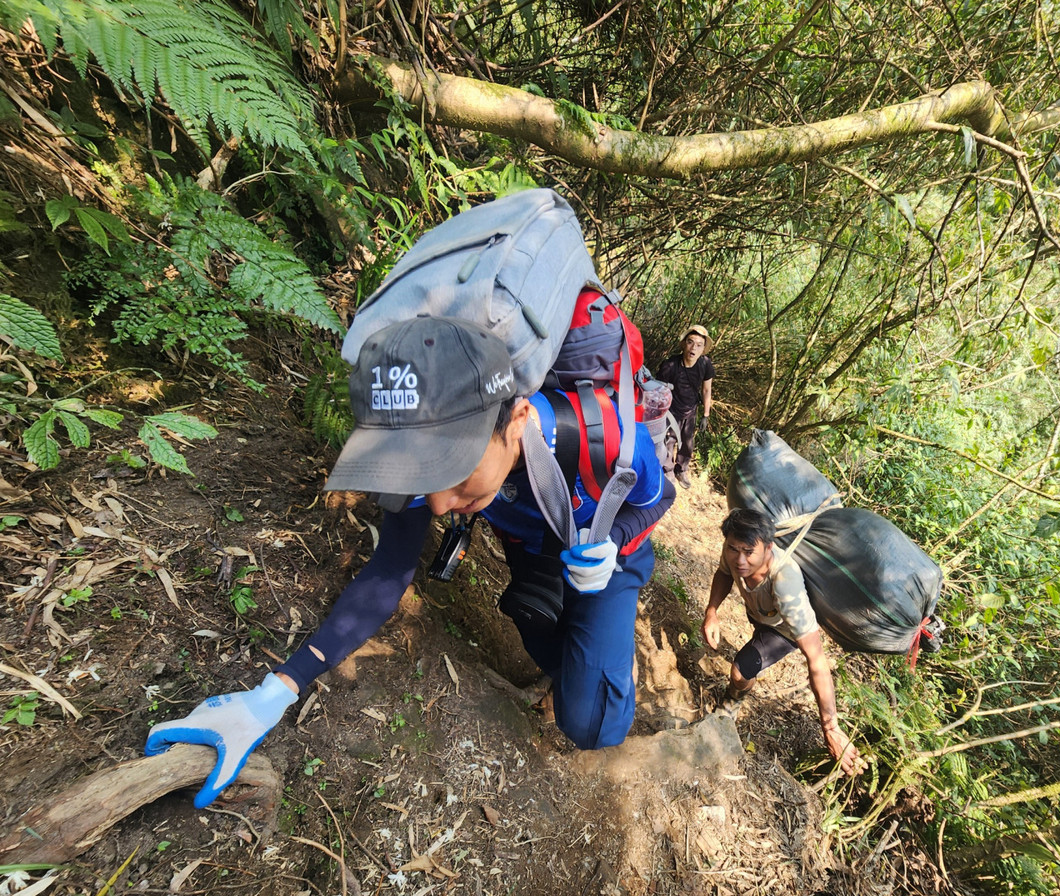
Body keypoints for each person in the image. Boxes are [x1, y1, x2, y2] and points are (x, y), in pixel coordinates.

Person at [145, 316, 675, 808]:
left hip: (606, 546)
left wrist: (614, 542)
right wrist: (271, 696)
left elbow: (659, 496)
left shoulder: (600, 435)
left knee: (593, 725)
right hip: (535, 554)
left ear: (516, 422)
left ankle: (603, 671)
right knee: (536, 622)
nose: (440, 504)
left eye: (455, 472)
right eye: (427, 480)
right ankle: (574, 667)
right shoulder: (424, 446)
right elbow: (386, 574)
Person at [703, 508, 866, 777]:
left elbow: (816, 659)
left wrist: (830, 727)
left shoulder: (785, 583)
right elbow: (723, 573)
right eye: (733, 549)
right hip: (760, 613)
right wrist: (712, 612)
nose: (739, 560)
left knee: (740, 671)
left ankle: (733, 701)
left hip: (783, 631)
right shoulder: (733, 551)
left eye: (748, 551)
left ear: (768, 547)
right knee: (751, 649)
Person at [656, 325, 714, 489]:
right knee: (669, 441)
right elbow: (659, 389)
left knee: (688, 443)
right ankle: (667, 470)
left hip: (691, 409)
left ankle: (681, 470)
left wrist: (706, 415)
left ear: (703, 349)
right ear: (683, 344)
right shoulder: (670, 365)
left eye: (699, 344)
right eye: (690, 342)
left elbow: (707, 389)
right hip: (671, 410)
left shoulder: (705, 364)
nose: (693, 348)